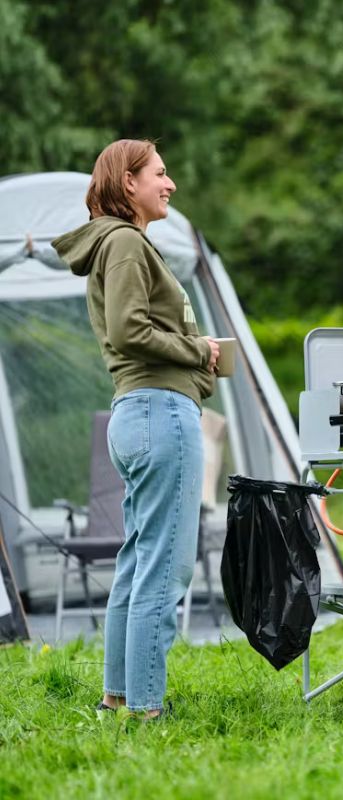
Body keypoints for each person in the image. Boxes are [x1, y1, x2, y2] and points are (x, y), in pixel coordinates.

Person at [53, 140, 220, 720]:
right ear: (129, 182)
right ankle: (147, 709)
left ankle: (118, 697)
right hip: (159, 411)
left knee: (139, 559)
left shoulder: (119, 243)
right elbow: (129, 330)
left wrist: (194, 354)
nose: (170, 184)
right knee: (165, 564)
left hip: (140, 411)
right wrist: (198, 350)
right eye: (160, 174)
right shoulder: (124, 242)